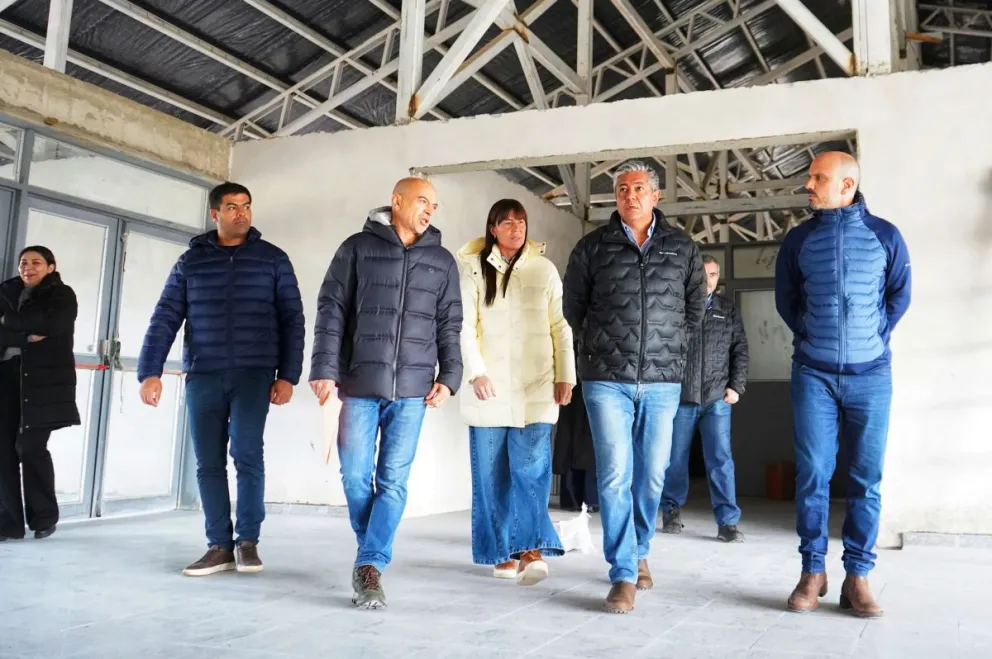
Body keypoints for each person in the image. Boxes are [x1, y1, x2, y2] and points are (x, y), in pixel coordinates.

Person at [309, 176, 463, 610]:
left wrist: (451, 375)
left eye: (434, 205)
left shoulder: (442, 261)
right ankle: (370, 554)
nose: (429, 210)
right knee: (355, 476)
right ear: (396, 201)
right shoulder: (356, 248)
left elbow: (450, 322)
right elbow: (331, 309)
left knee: (393, 481)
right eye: (422, 201)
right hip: (358, 383)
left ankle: (369, 564)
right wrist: (323, 369)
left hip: (413, 391)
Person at [137, 182, 305, 577]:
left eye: (246, 206)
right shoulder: (190, 262)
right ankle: (218, 546)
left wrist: (288, 376)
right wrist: (150, 371)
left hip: (254, 374)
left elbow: (292, 319)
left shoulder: (273, 259)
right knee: (208, 462)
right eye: (232, 207)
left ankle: (248, 542)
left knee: (247, 454)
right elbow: (165, 317)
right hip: (203, 374)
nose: (242, 213)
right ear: (215, 214)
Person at [562, 159, 706, 614]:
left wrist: (672, 344)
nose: (630, 195)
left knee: (653, 474)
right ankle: (623, 572)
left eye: (639, 188)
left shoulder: (681, 247)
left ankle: (640, 548)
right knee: (614, 475)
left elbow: (695, 307)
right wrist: (599, 345)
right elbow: (573, 307)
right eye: (622, 189)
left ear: (656, 195)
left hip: (663, 381)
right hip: (606, 379)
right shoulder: (592, 247)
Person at [775, 151, 911, 618]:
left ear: (847, 186)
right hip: (813, 374)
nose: (808, 185)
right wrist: (814, 336)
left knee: (865, 479)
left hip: (871, 376)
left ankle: (858, 577)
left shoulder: (885, 236)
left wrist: (871, 337)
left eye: (818, 178)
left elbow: (899, 295)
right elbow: (787, 300)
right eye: (810, 177)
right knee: (813, 474)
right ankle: (813, 571)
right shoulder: (798, 240)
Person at [456, 199, 575, 585]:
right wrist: (477, 373)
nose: (515, 228)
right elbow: (465, 327)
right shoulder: (474, 270)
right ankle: (501, 552)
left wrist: (565, 375)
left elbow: (560, 326)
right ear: (493, 228)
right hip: (489, 391)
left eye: (520, 222)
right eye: (506, 222)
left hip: (535, 389)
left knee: (532, 472)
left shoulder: (544, 269)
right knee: (492, 478)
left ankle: (531, 550)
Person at [661, 254, 749, 541]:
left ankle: (727, 522)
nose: (707, 280)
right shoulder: (676, 307)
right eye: (703, 274)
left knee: (720, 459)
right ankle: (671, 510)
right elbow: (662, 347)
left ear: (717, 277)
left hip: (716, 397)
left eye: (713, 274)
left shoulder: (728, 310)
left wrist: (736, 386)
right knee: (675, 458)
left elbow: (740, 350)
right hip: (681, 396)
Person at [0, 246, 79, 542]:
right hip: (6, 375)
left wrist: (7, 322)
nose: (28, 267)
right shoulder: (6, 291)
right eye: (24, 262)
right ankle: (8, 523)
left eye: (36, 262)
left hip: (44, 380)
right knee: (3, 449)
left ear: (50, 267)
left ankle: (44, 517)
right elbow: (34, 326)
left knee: (31, 447)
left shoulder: (62, 295)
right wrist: (25, 336)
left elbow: (51, 325)